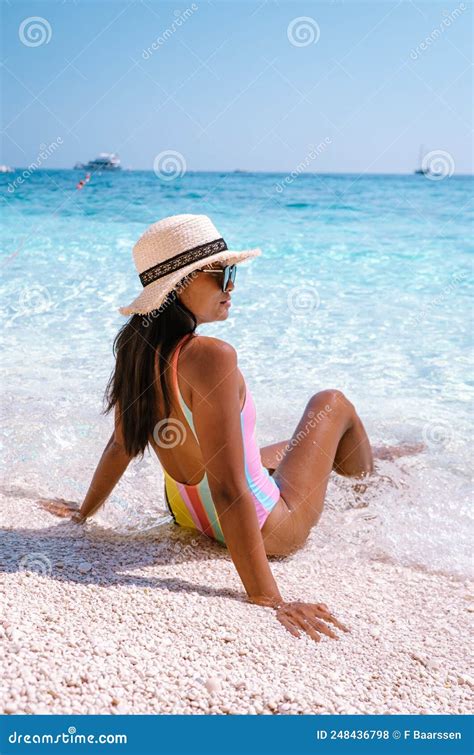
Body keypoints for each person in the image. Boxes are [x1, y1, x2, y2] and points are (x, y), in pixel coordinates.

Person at [41, 213, 422, 642]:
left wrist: (83, 512)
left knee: (277, 449)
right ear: (183, 284)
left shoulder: (137, 346)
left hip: (187, 512)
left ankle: (382, 457)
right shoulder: (212, 356)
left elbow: (122, 444)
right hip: (267, 527)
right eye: (223, 274)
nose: (232, 286)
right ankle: (370, 497)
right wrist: (270, 598)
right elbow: (227, 487)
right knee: (331, 404)